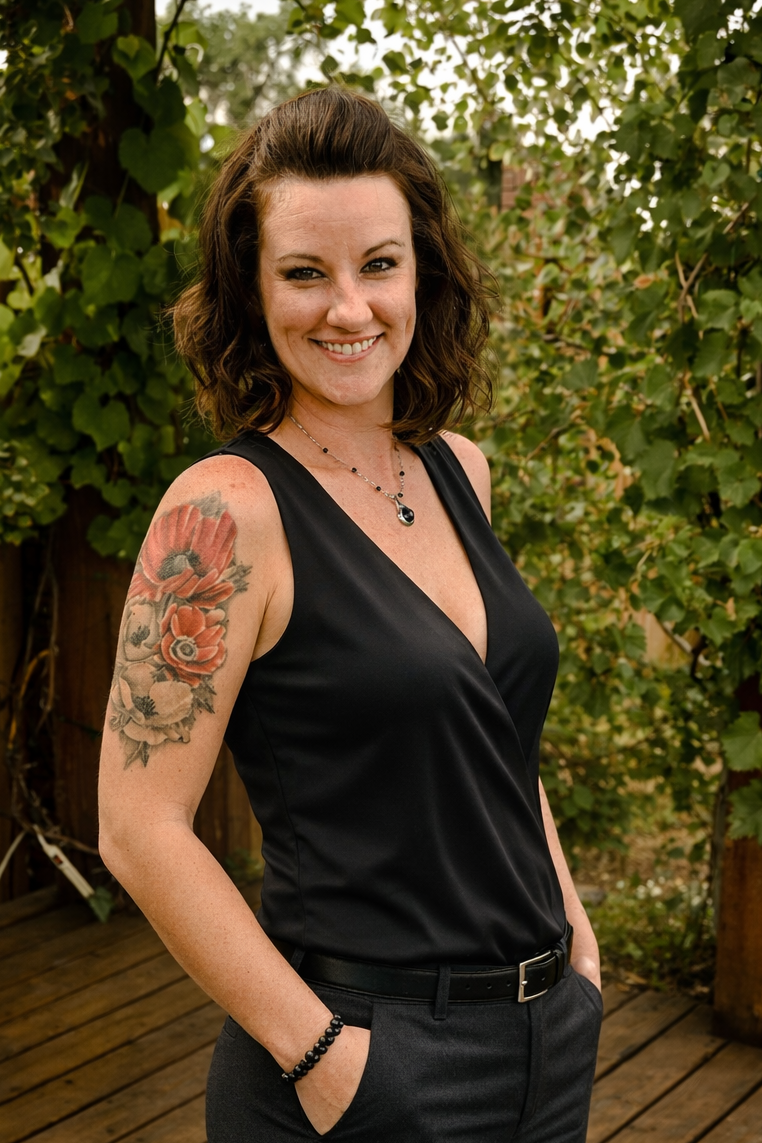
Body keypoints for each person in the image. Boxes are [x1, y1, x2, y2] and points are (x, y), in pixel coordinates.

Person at [98, 87, 602, 1142]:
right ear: (250, 289)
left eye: (378, 264)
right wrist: (326, 1059)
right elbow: (139, 830)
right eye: (303, 273)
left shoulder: (460, 469)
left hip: (546, 1039)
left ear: (423, 269)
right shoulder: (224, 512)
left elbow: (495, 742)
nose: (348, 308)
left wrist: (579, 947)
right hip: (362, 1060)